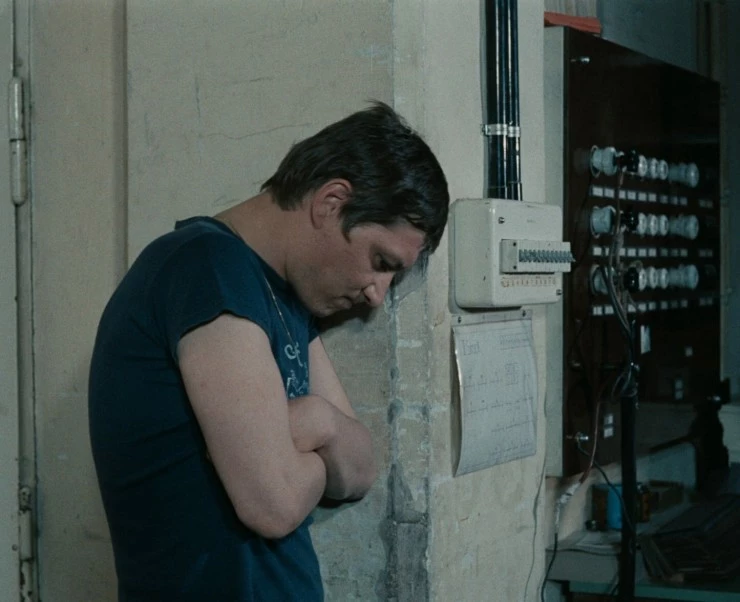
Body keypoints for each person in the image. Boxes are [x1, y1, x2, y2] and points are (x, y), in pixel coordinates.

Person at [88, 101, 449, 601]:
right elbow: (273, 505)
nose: (377, 294)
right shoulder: (208, 269)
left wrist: (316, 421)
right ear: (331, 202)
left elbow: (361, 470)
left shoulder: (280, 296)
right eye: (381, 262)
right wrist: (300, 457)